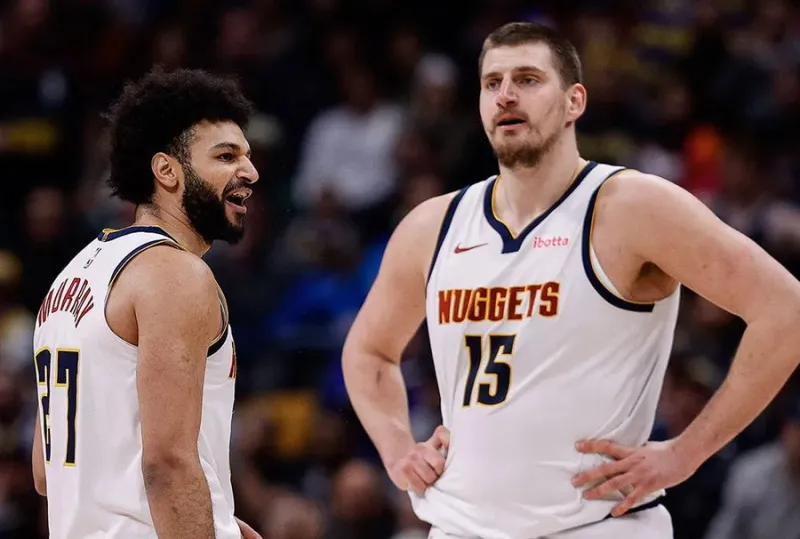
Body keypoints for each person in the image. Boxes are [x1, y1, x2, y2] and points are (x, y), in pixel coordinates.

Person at [341, 21, 800, 539]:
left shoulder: (632, 207)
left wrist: (685, 453)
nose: (506, 95)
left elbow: (786, 310)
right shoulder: (434, 225)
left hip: (598, 526)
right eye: (492, 83)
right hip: (460, 527)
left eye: (528, 79)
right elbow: (368, 352)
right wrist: (397, 447)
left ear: (574, 101)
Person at [31, 67, 262, 539]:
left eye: (247, 155)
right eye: (226, 155)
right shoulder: (175, 274)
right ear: (167, 171)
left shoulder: (73, 276)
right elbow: (169, 463)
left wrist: (214, 517)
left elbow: (45, 472)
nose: (250, 171)